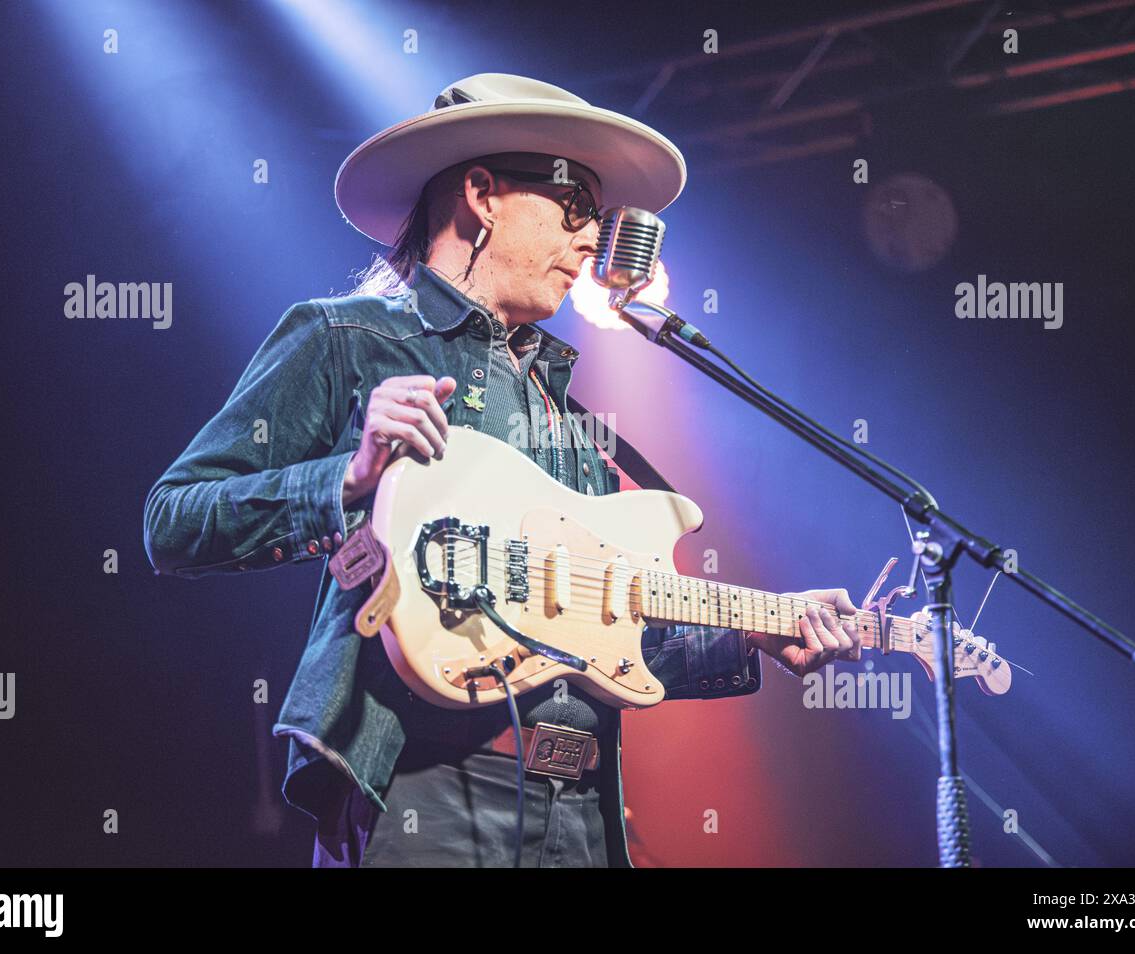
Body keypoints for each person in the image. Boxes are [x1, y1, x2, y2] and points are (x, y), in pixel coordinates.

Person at [143, 73, 863, 867]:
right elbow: (173, 520)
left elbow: (599, 637)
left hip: (581, 809)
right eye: (575, 207)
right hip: (424, 793)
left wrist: (751, 633)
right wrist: (345, 478)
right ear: (482, 194)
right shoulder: (346, 337)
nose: (592, 241)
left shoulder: (571, 414)